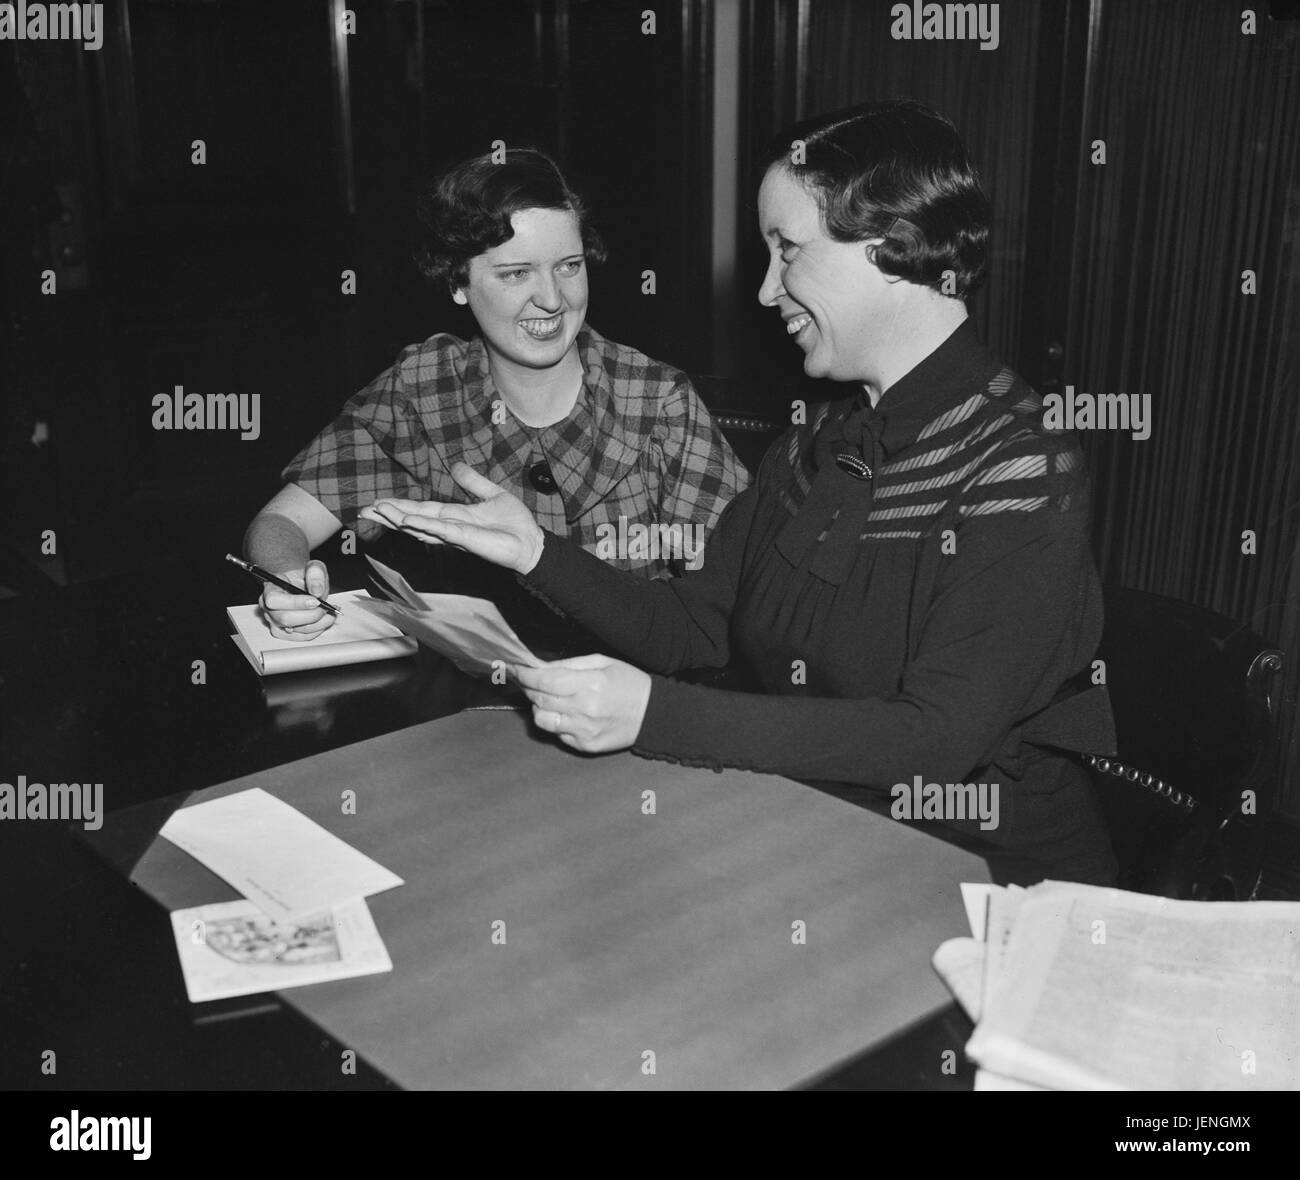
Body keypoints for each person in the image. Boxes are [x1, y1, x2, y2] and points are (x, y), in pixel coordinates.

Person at [361, 101, 1119, 886]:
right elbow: (691, 629)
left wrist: (656, 716)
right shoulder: (822, 437)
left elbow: (933, 741)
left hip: (986, 880)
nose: (766, 290)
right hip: (830, 835)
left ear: (892, 247)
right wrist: (532, 551)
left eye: (787, 250)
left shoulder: (1020, 462)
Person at [245, 147, 746, 642]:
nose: (552, 298)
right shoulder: (421, 392)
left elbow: (740, 591)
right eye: (515, 273)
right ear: (457, 282)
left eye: (569, 266)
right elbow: (282, 521)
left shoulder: (658, 401)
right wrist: (287, 579)